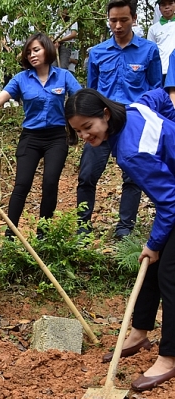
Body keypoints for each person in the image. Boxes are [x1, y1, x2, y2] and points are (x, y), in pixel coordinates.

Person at [65, 88, 175, 391]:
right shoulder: (136, 108)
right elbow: (161, 97)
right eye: (78, 131)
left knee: (169, 272)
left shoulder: (131, 152)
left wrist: (153, 244)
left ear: (105, 114)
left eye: (88, 127)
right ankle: (139, 331)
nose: (85, 136)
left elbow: (170, 202)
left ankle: (169, 356)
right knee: (151, 267)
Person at [0, 33, 82, 238]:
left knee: (50, 182)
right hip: (31, 137)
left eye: (36, 50)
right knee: (22, 184)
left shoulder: (64, 76)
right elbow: (1, 97)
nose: (32, 55)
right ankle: (11, 234)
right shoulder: (21, 78)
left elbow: (81, 97)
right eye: (28, 52)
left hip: (56, 137)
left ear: (47, 49)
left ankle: (43, 233)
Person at [76, 0, 162, 239]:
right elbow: (91, 92)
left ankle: (125, 229)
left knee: (133, 177)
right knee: (87, 175)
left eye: (123, 20)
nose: (117, 25)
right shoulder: (97, 53)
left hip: (132, 125)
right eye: (113, 20)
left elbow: (156, 90)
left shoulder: (149, 50)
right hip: (100, 123)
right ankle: (82, 227)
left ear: (133, 18)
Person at [147, 0, 175, 86]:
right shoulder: (153, 29)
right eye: (163, 5)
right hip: (161, 70)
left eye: (170, 4)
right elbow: (150, 51)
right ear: (159, 8)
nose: (167, 7)